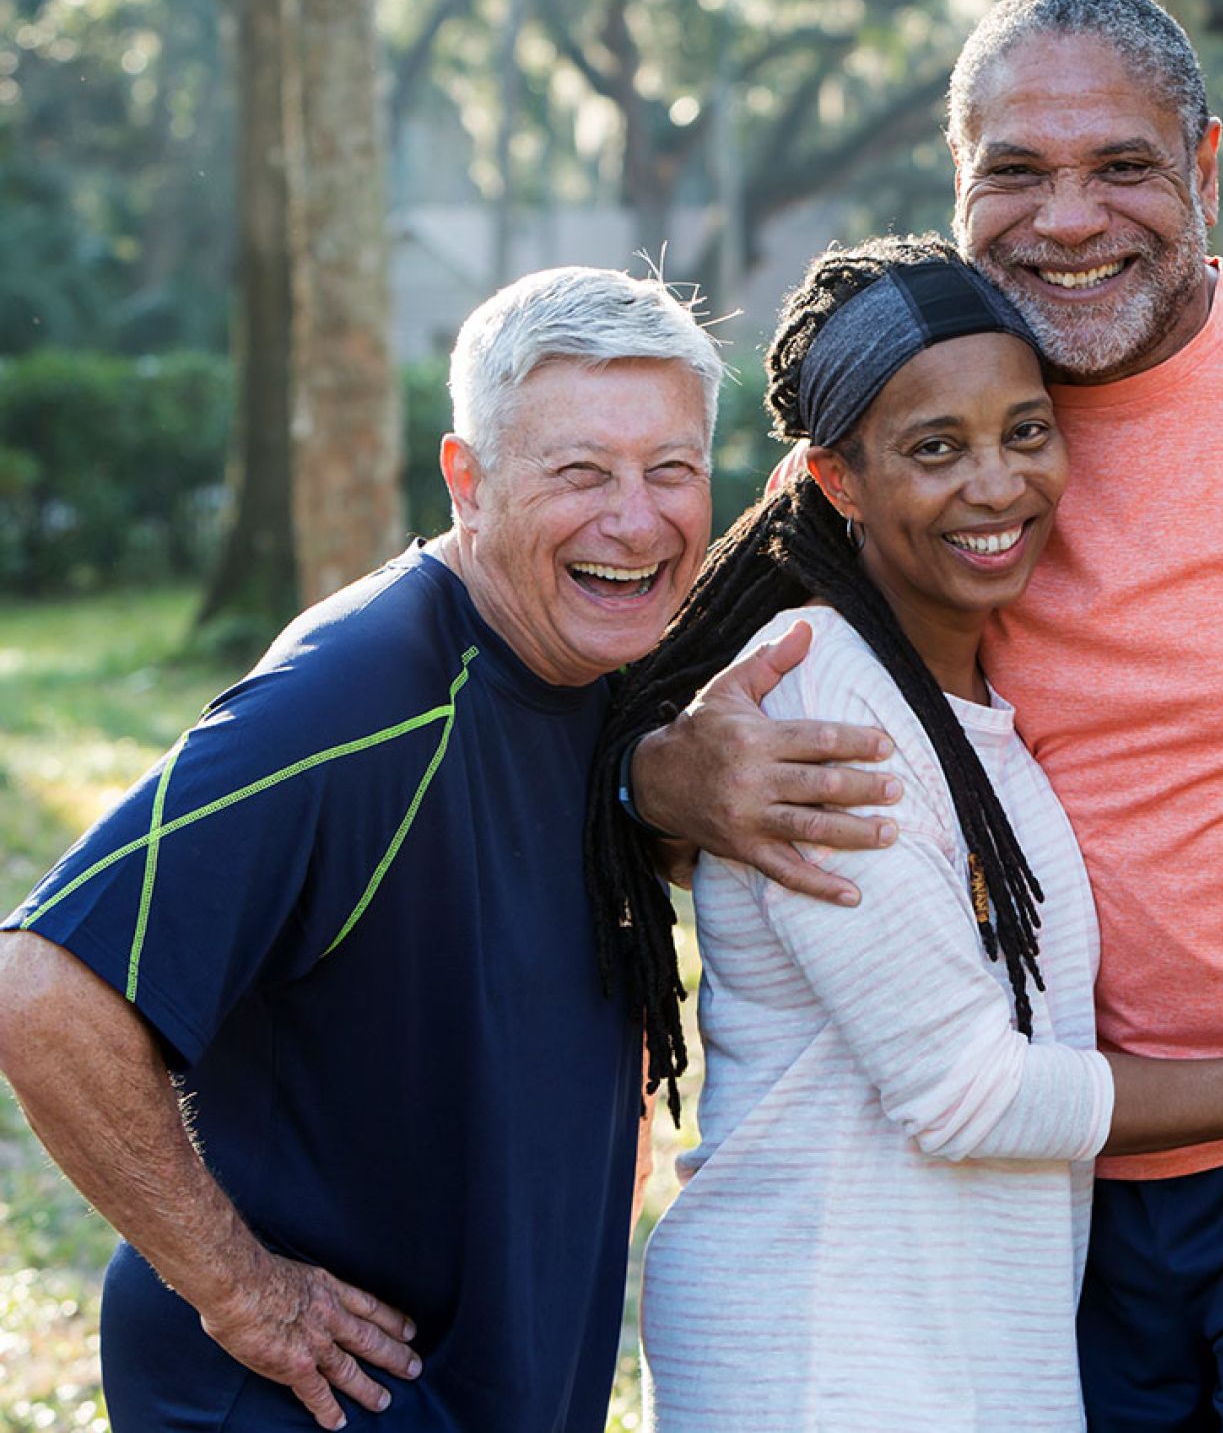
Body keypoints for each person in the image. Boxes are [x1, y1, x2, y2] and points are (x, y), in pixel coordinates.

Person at [621, 0, 1223, 1428]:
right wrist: (660, 776)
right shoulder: (902, 439)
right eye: (1016, 172)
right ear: (960, 185)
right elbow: (645, 688)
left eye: (1122, 166)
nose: (1067, 220)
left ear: (1203, 168)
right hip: (1048, 1189)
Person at [0, 266, 722, 1431]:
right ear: (468, 480)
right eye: (580, 470)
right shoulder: (355, 701)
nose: (634, 519)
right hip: (300, 1396)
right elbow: (41, 992)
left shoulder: (603, 659)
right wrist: (246, 1292)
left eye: (670, 470)